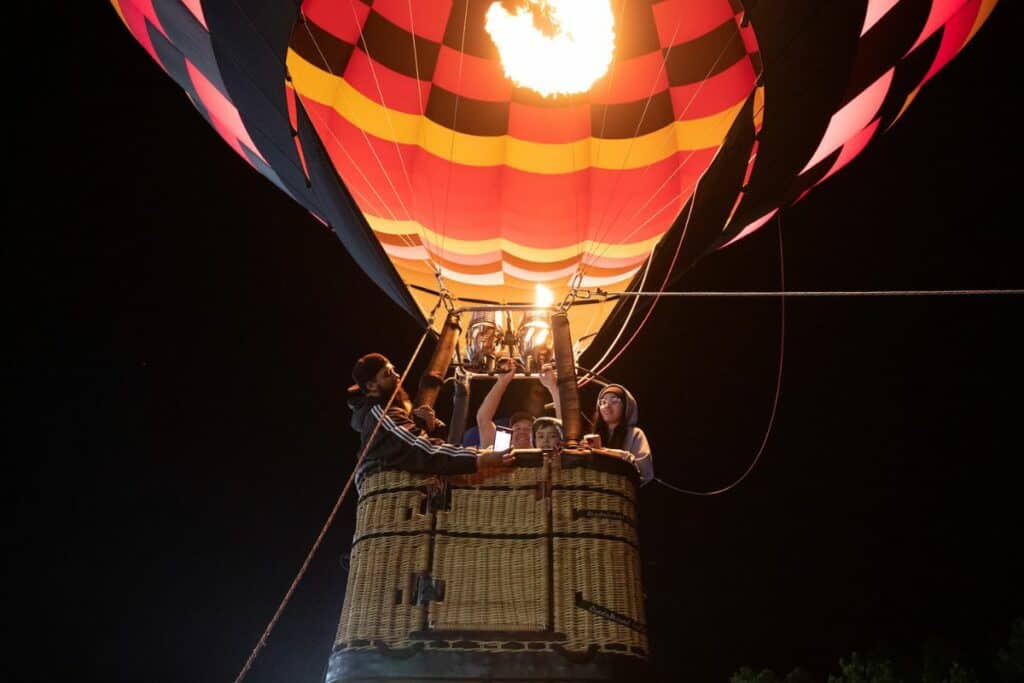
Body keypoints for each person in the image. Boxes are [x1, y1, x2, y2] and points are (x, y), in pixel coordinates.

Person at [347, 352, 512, 476]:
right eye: (388, 374)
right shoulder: (380, 416)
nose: (397, 376)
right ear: (371, 386)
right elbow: (419, 449)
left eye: (394, 371)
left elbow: (417, 448)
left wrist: (432, 428)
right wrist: (477, 458)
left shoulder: (393, 413)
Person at [475, 361, 560, 449]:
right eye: (517, 428)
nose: (522, 431)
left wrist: (552, 387)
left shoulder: (544, 451)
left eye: (528, 429)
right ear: (509, 436)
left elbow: (564, 425)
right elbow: (483, 418)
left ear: (536, 437)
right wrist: (501, 382)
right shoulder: (500, 450)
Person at [590, 383, 653, 485]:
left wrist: (603, 452)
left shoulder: (635, 434)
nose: (607, 406)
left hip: (622, 495)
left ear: (626, 406)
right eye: (603, 402)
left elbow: (646, 474)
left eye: (614, 401)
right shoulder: (594, 437)